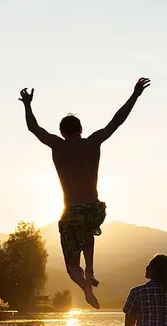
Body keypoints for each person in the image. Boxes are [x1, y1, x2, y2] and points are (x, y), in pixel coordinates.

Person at [18, 77, 151, 309]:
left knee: (71, 266)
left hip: (71, 209)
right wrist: (135, 95)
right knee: (88, 230)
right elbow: (116, 122)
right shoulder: (93, 142)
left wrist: (27, 104)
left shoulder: (57, 145)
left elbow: (33, 128)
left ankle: (85, 284)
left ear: (61, 132)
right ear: (81, 130)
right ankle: (90, 270)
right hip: (94, 207)